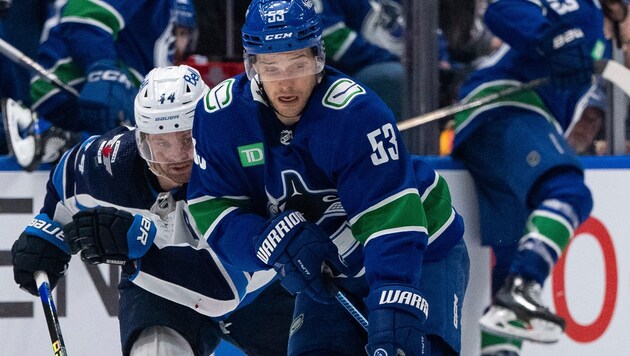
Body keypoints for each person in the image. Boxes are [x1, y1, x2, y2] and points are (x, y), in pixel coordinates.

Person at [187, 1, 470, 355]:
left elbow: (390, 218)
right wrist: (264, 240)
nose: (286, 82)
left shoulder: (356, 113)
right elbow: (212, 206)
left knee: (405, 343)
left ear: (318, 57)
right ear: (251, 65)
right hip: (330, 273)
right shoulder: (221, 116)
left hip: (421, 250)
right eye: (271, 67)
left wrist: (394, 299)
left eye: (298, 64)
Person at [11, 64, 295, 356]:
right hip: (162, 294)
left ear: (208, 129)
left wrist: (137, 256)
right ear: (142, 140)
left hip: (263, 293)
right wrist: (47, 232)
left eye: (187, 139)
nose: (176, 158)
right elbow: (68, 175)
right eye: (161, 143)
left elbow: (224, 290)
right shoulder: (115, 161)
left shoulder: (240, 165)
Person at [450, 0, 618, 354]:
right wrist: (552, 39)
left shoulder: (601, 43)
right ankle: (525, 286)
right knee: (568, 191)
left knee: (510, 257)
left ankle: (504, 338)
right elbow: (502, 10)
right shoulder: (584, 9)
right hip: (505, 109)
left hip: (500, 124)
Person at [7, 0, 198, 171]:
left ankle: (61, 143)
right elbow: (85, 15)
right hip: (68, 90)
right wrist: (103, 69)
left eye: (184, 34)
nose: (181, 43)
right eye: (178, 33)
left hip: (79, 101)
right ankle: (51, 139)